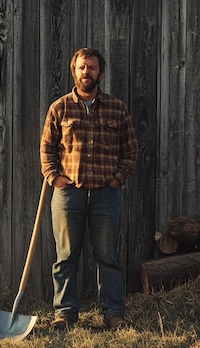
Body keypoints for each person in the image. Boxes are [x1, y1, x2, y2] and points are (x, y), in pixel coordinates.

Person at [39, 47, 138, 331]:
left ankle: (114, 313)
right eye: (82, 67)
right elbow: (46, 148)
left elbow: (130, 150)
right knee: (66, 256)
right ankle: (65, 314)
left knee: (107, 255)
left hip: (106, 194)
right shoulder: (60, 108)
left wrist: (118, 178)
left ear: (100, 73)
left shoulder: (117, 108)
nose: (87, 72)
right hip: (69, 193)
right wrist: (53, 177)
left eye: (92, 68)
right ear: (74, 71)